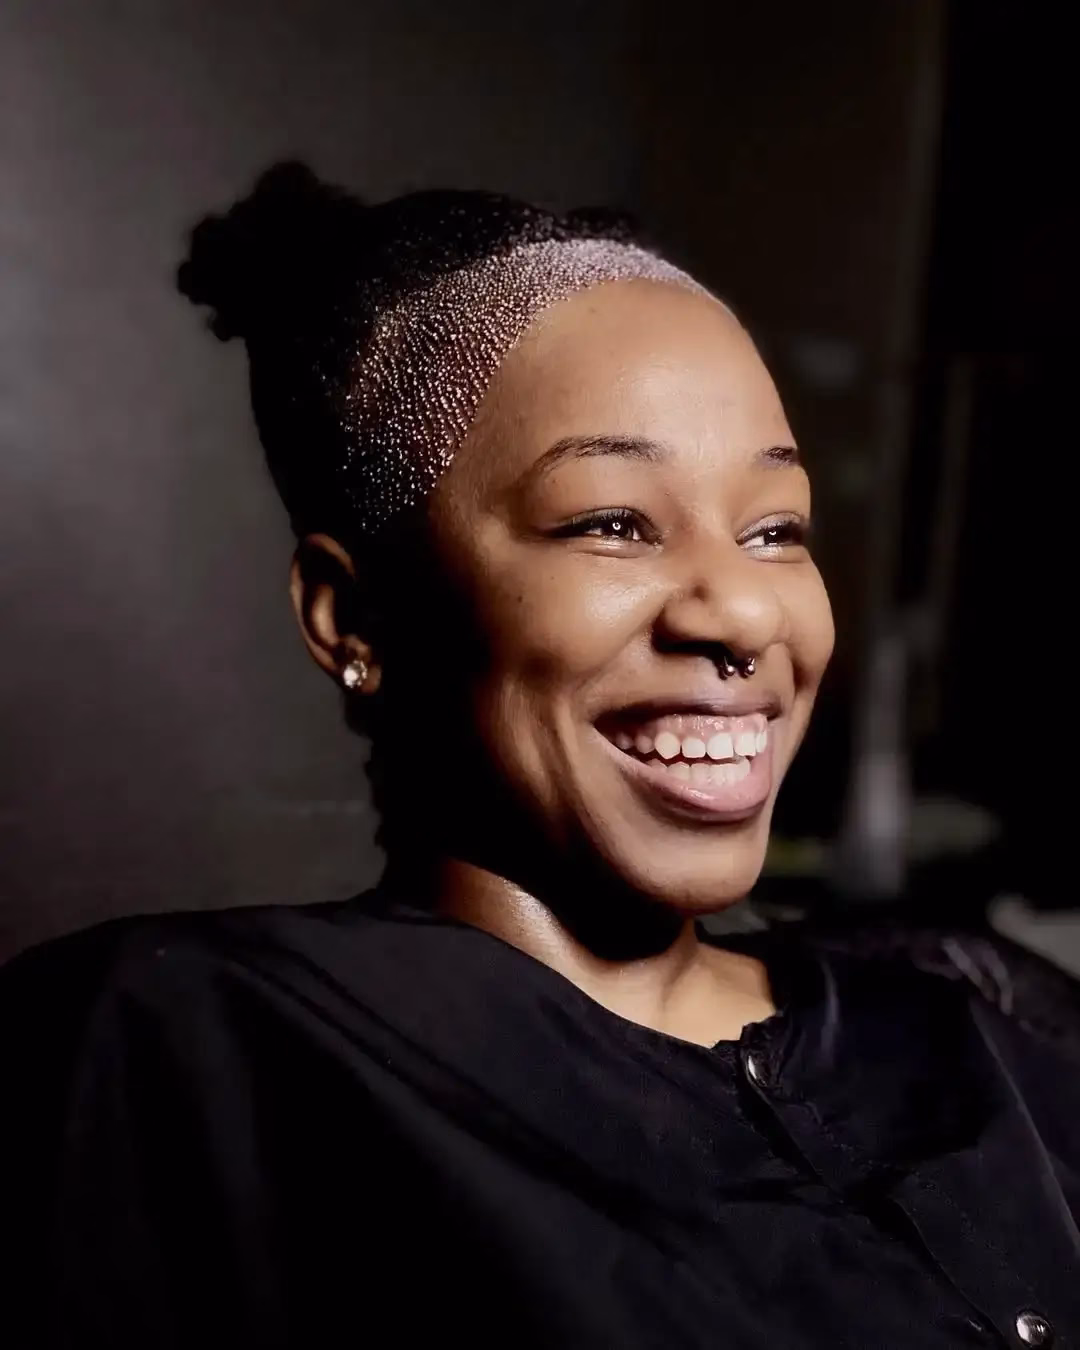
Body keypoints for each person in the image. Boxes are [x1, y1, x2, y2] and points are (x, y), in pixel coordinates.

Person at [2, 163, 1078, 1349]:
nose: (742, 611)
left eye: (776, 530)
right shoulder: (186, 1050)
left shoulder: (974, 1033)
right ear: (351, 618)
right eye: (612, 522)